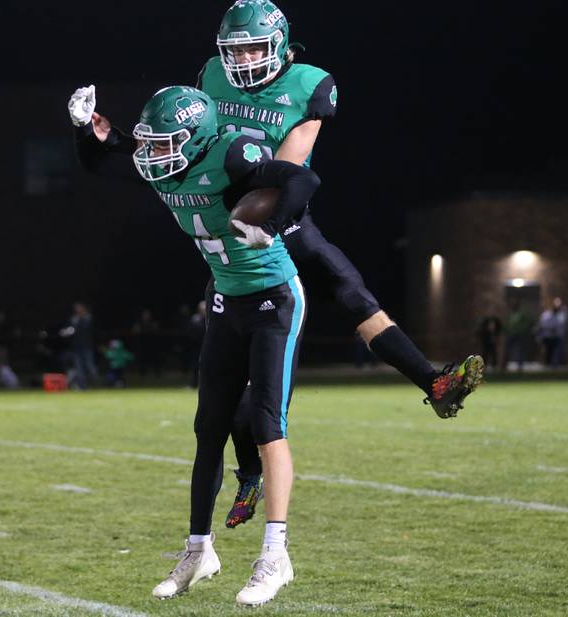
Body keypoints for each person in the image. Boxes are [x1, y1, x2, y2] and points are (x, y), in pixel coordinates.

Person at [200, 0, 484, 533]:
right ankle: (247, 475)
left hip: (276, 207)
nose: (242, 59)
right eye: (234, 49)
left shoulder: (310, 84)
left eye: (253, 47)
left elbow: (289, 164)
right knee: (242, 387)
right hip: (228, 229)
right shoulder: (212, 78)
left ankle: (433, 381)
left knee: (347, 288)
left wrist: (272, 215)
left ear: (281, 45)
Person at [69, 84, 318, 605]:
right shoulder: (163, 155)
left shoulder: (234, 152)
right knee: (208, 428)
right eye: (151, 144)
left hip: (274, 298)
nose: (154, 155)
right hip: (227, 301)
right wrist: (87, 129)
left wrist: (269, 225)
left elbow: (301, 178)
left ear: (199, 138)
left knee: (268, 425)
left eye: (165, 144)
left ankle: (276, 555)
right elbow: (106, 158)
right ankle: (199, 550)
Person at [502, 299, 533, 371]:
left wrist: (520, 329)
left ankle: (520, 366)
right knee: (507, 350)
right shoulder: (510, 314)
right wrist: (507, 330)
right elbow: (506, 323)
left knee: (520, 351)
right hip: (510, 334)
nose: (513, 306)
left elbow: (528, 323)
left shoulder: (522, 313)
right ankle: (503, 366)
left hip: (519, 335)